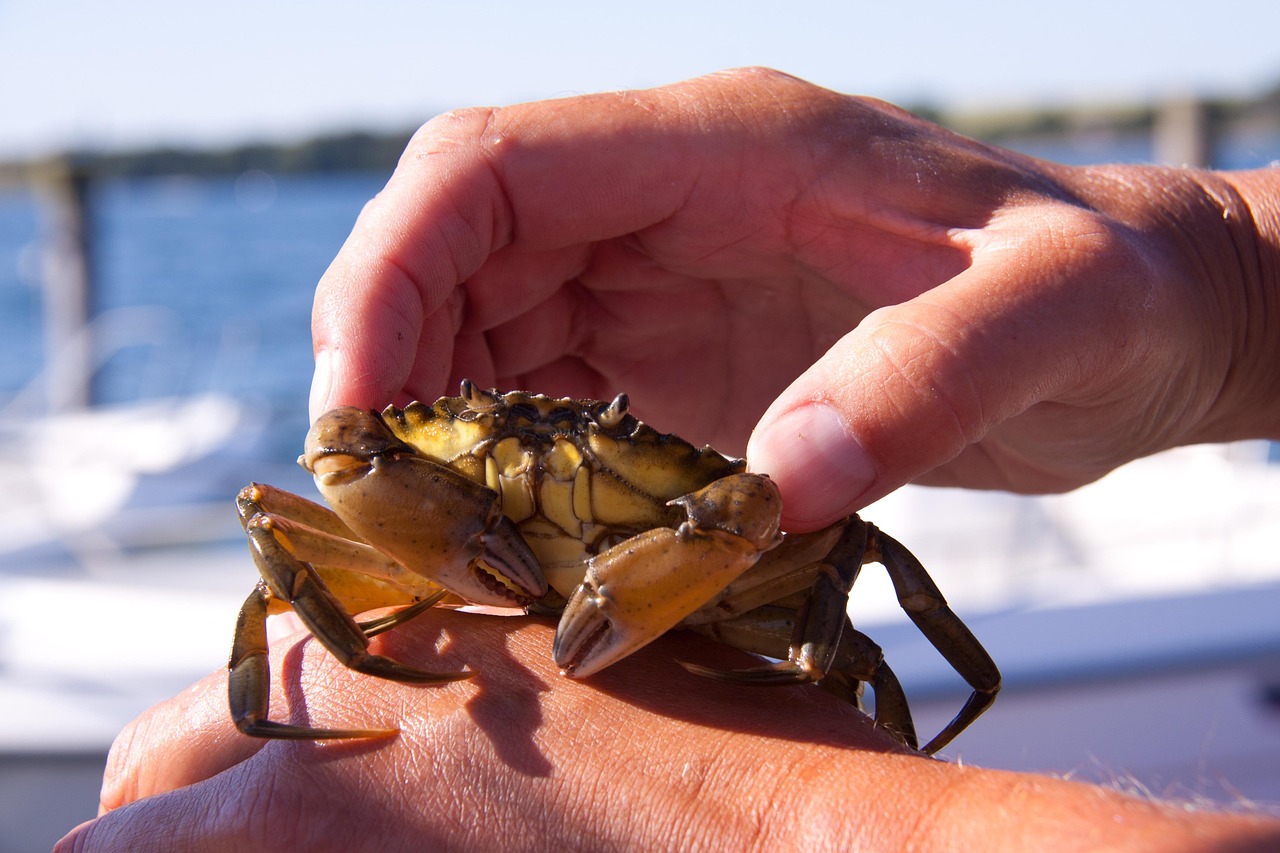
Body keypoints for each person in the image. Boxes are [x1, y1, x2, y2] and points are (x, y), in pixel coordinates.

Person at [58, 67, 1280, 850]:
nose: (546, 471)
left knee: (838, 606)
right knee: (276, 541)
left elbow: (833, 620)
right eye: (486, 432)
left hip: (710, 571)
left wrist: (776, 818)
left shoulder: (759, 532)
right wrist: (1224, 289)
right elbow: (294, 512)